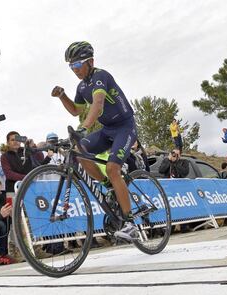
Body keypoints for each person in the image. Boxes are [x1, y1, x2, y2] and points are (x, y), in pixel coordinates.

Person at [51, 41, 139, 241]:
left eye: (77, 64)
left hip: (125, 127)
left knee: (112, 168)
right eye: (71, 66)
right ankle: (109, 186)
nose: (75, 70)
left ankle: (130, 223)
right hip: (107, 130)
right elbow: (76, 110)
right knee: (79, 150)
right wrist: (63, 96)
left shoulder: (101, 76)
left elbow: (97, 105)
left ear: (90, 61)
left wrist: (83, 128)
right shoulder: (82, 87)